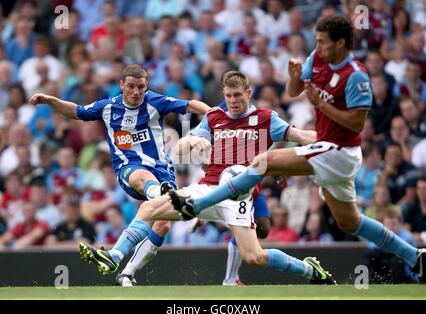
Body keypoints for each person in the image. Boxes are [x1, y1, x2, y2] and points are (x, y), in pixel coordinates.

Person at [169, 16, 426, 283]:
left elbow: (357, 123)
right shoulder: (317, 58)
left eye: (323, 42)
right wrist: (293, 78)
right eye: (317, 41)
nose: (317, 46)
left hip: (340, 150)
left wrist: (320, 105)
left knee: (262, 161)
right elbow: (293, 91)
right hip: (327, 152)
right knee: (350, 222)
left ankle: (197, 204)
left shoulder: (356, 76)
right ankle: (415, 257)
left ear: (340, 43)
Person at [79, 70, 336, 286]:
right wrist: (193, 142)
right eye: (228, 96)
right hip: (207, 190)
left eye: (238, 95)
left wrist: (334, 141)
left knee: (254, 257)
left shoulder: (266, 119)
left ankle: (310, 270)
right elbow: (182, 147)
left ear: (248, 94)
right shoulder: (215, 118)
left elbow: (302, 136)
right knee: (150, 207)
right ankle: (115, 256)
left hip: (238, 197)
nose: (233, 101)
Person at [30, 64, 210, 268]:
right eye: (131, 86)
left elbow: (191, 104)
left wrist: (214, 115)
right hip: (129, 168)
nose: (136, 92)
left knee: (162, 225)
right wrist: (51, 100)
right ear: (121, 85)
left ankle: (124, 269)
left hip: (162, 170)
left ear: (146, 86)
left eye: (141, 87)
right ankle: (159, 194)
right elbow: (76, 111)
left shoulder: (155, 102)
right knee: (143, 178)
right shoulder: (108, 107)